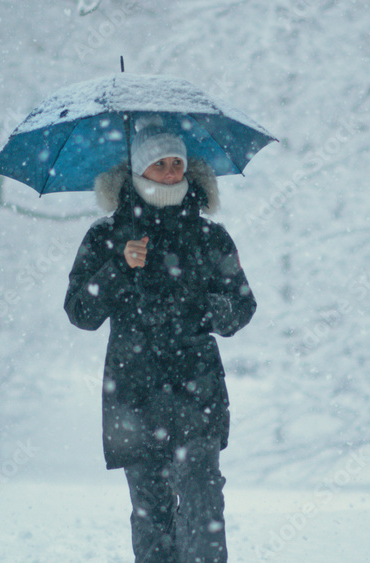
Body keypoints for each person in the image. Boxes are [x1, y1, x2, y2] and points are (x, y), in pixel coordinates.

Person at [64, 116, 256, 563]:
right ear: (137, 170)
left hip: (198, 391)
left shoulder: (210, 237)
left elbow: (241, 308)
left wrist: (197, 303)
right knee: (151, 515)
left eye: (177, 163)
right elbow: (81, 312)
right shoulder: (107, 236)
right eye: (160, 164)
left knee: (204, 505)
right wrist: (118, 267)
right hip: (134, 394)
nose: (172, 172)